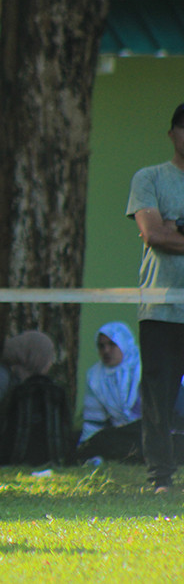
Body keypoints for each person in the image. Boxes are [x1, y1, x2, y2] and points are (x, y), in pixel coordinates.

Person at [126, 102, 184, 492]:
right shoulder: (149, 178)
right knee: (158, 397)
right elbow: (154, 236)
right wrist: (166, 229)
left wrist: (174, 224)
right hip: (162, 307)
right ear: (171, 133)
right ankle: (160, 477)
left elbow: (167, 233)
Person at [76, 322, 143, 463]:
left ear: (124, 344)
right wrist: (87, 449)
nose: (106, 351)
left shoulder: (143, 368)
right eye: (101, 346)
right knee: (103, 440)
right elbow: (93, 421)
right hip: (121, 435)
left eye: (112, 345)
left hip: (151, 431)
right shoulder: (95, 376)